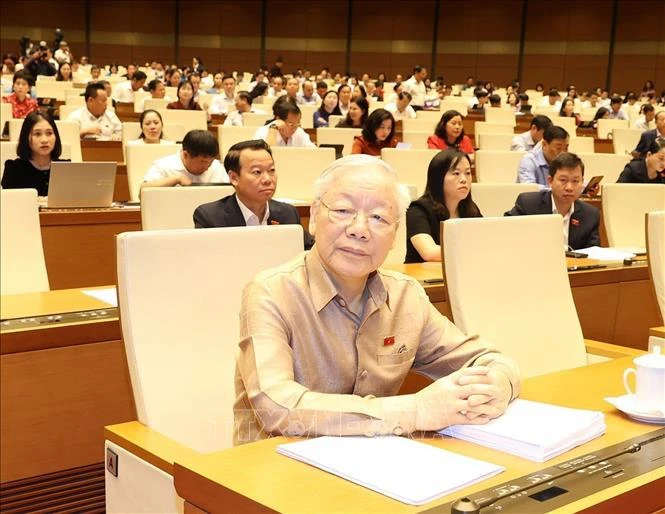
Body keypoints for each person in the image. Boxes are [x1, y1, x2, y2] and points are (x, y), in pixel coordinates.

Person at [233, 153, 520, 444]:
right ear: (314, 217)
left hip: (372, 467)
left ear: (395, 234)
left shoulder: (406, 297)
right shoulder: (270, 293)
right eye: (343, 210)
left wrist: (499, 385)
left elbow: (487, 359)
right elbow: (275, 405)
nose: (360, 230)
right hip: (278, 470)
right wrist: (415, 410)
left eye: (379, 218)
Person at [193, 139, 314, 249]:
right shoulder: (210, 218)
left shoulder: (288, 213)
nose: (267, 179)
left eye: (271, 170)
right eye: (257, 172)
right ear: (234, 178)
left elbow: (308, 252)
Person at [506, 152, 600, 250]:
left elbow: (593, 254)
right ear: (550, 181)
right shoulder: (528, 204)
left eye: (575, 181)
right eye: (563, 180)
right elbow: (505, 234)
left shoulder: (591, 214)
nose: (569, 187)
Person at [405, 150, 481, 263]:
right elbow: (429, 253)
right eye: (456, 173)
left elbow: (485, 241)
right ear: (438, 178)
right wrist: (475, 251)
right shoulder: (418, 210)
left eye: (468, 173)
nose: (464, 179)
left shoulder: (470, 210)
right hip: (422, 277)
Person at [2, 111, 68, 196]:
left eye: (49, 133)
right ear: (26, 137)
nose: (44, 140)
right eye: (37, 134)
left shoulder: (66, 168)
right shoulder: (14, 169)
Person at [141, 129, 228, 189]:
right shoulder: (163, 166)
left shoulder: (216, 166)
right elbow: (143, 190)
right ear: (186, 155)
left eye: (211, 161)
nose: (208, 167)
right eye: (203, 162)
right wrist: (175, 179)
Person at [517, 125, 569, 189]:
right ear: (544, 144)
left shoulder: (565, 161)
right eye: (558, 148)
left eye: (566, 148)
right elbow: (529, 188)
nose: (563, 152)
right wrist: (558, 190)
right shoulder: (529, 160)